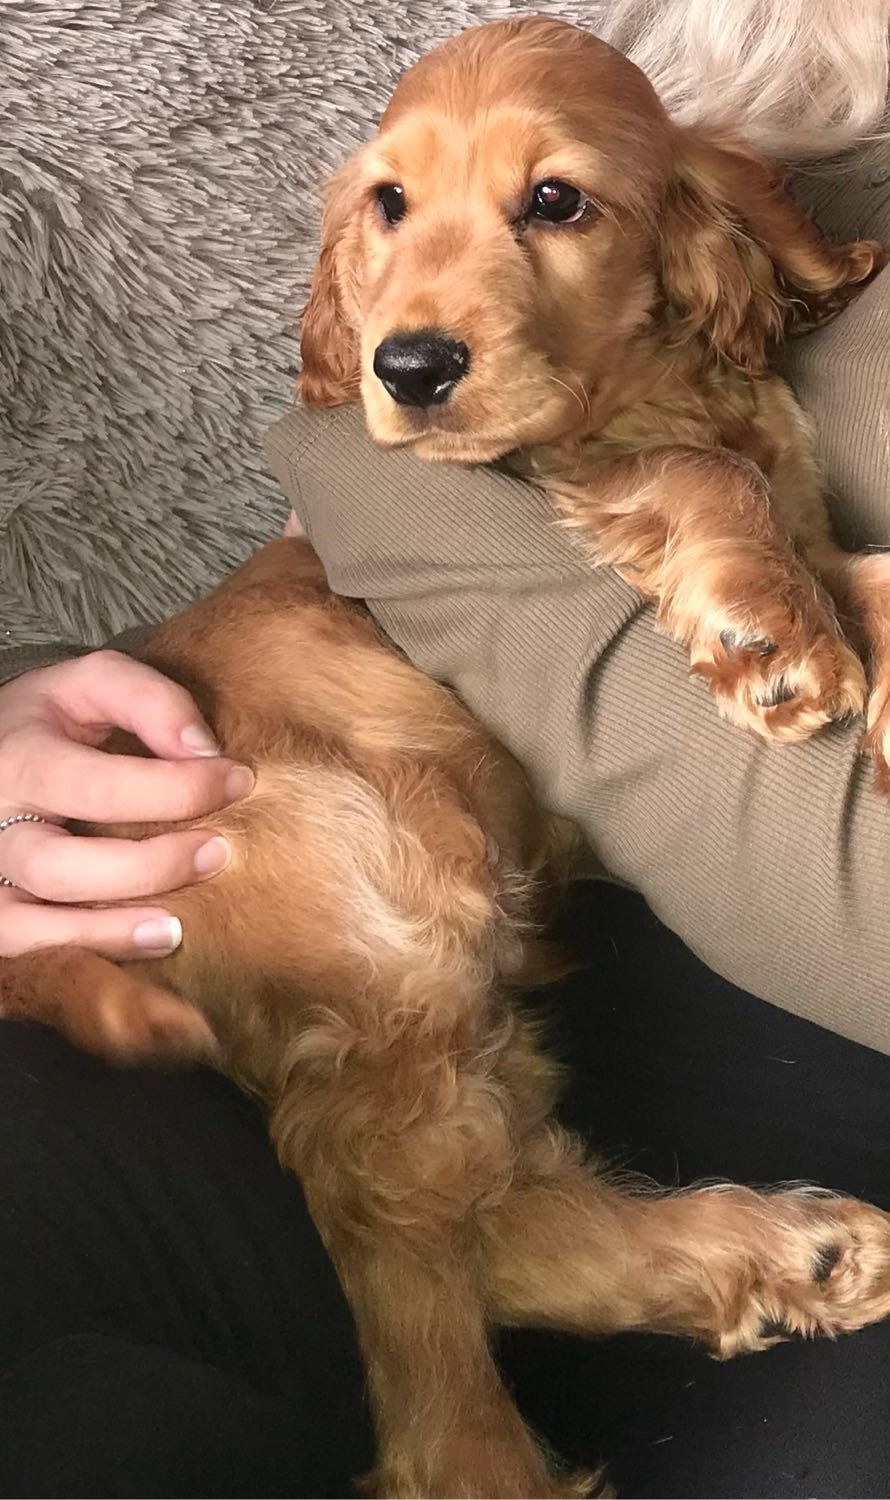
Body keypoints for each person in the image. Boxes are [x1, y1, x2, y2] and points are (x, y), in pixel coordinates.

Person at [2, 34, 890, 1500]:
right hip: (262, 829)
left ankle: (491, 1374)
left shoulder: (711, 242)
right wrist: (28, 693)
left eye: (553, 206)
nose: (417, 320)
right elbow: (363, 472)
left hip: (633, 996)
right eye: (391, 208)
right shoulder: (738, 131)